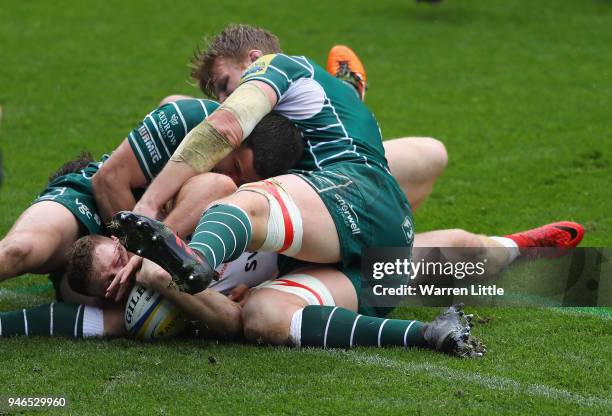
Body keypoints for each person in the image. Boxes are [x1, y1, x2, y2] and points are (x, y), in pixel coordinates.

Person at [0, 97, 303, 306]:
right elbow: (107, 180)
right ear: (235, 137)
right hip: (92, 202)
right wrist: (141, 253)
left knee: (112, 307)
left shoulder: (282, 179)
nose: (237, 184)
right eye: (237, 168)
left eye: (246, 182)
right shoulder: (190, 119)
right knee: (20, 250)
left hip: (123, 261)